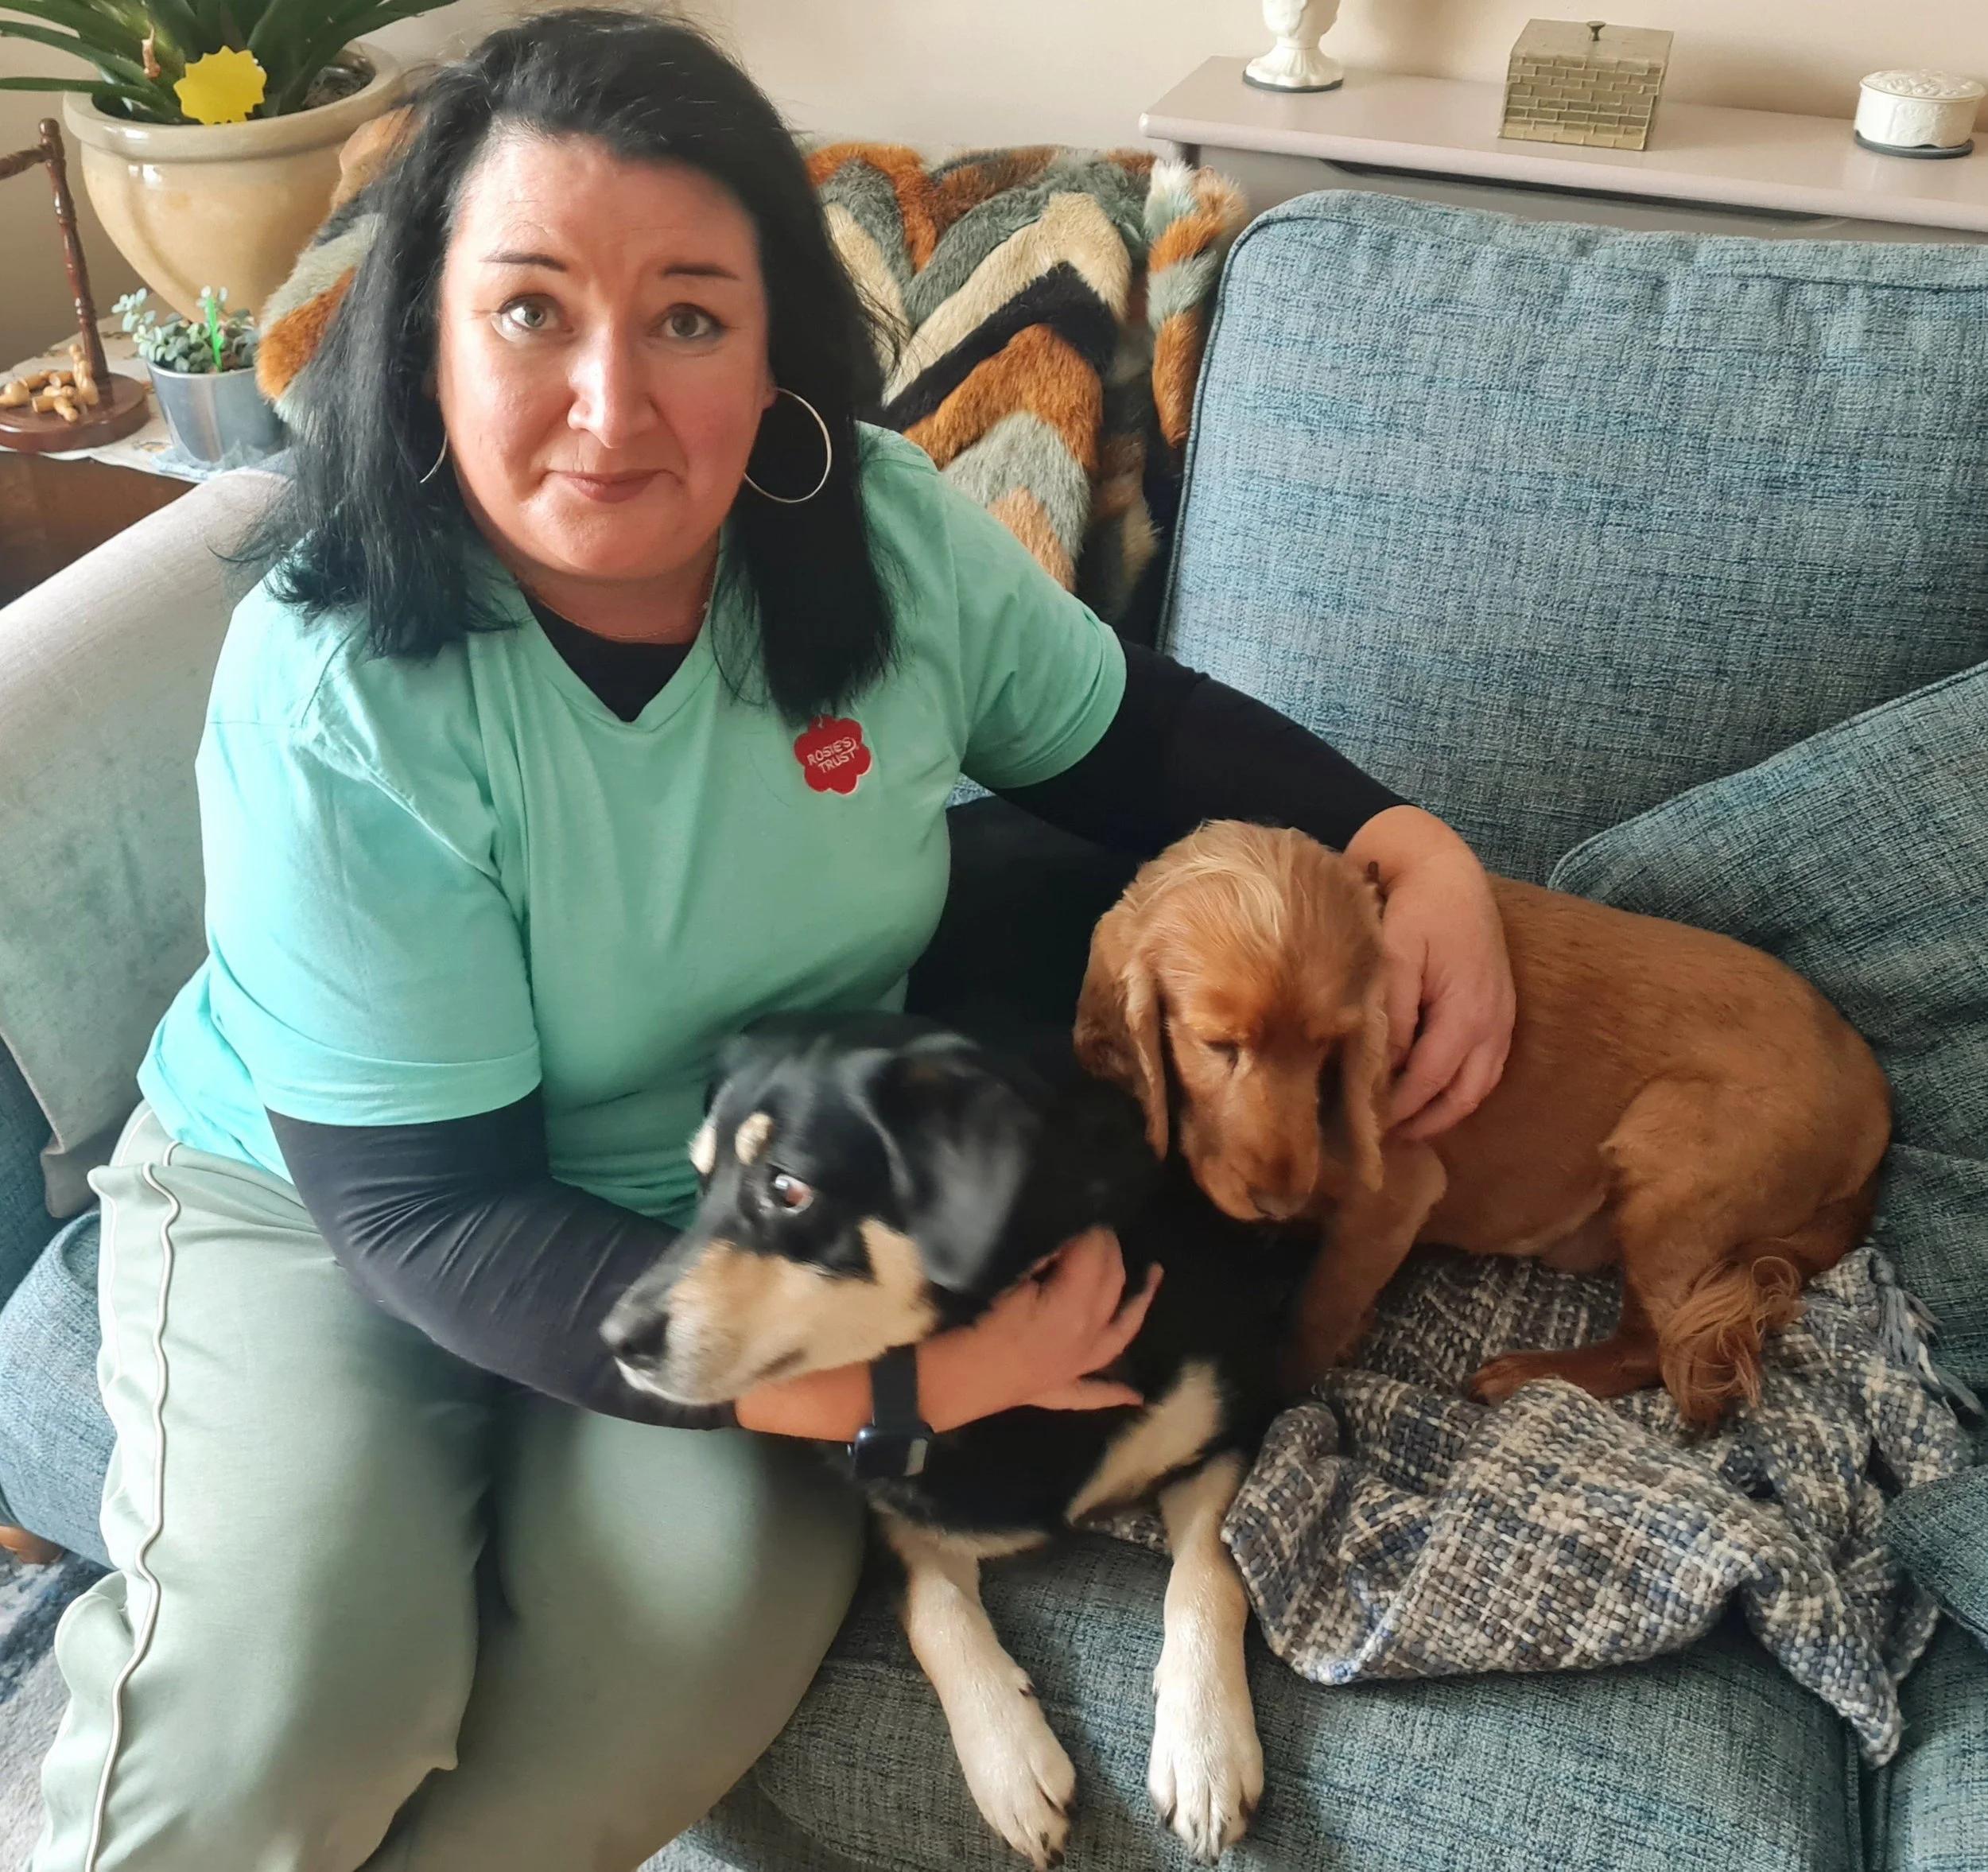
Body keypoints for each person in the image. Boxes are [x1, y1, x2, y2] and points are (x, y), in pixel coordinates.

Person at [33, 10, 1515, 1870]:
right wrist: (915, 1380)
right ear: (423, 337)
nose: (611, 401)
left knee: (679, 1661)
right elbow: (433, 1217)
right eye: (529, 309)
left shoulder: (878, 547)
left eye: (687, 316)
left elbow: (1136, 741)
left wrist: (1404, 843)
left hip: (746, 1215)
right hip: (324, 1210)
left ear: (772, 351)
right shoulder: (339, 686)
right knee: (286, 1705)